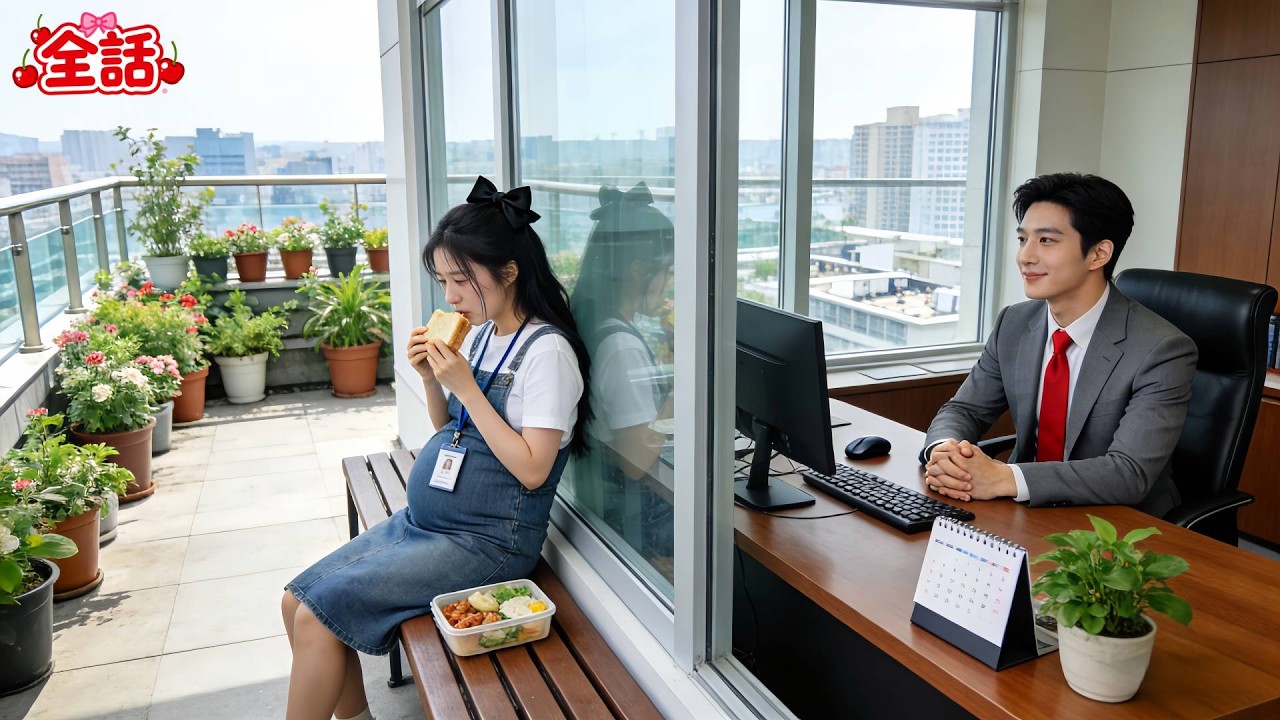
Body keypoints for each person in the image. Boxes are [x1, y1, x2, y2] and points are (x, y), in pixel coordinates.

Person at [280, 176, 591, 720]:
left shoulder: (548, 354)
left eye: (461, 281)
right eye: (443, 280)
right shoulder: (485, 332)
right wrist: (430, 380)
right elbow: (453, 427)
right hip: (428, 525)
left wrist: (465, 386)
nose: (450, 297)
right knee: (295, 602)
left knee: (314, 615)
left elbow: (534, 470)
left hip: (486, 544)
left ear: (509, 272)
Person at [921, 172, 1196, 516]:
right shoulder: (1013, 323)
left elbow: (1129, 473)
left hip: (1118, 523)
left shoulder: (1163, 349)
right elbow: (965, 410)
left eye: (1046, 240)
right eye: (1023, 239)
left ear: (1098, 254)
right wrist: (945, 452)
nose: (1025, 256)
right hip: (1025, 508)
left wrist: (1004, 478)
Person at [569, 182, 676, 578]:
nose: (668, 283)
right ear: (637, 271)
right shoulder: (621, 346)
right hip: (636, 525)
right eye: (666, 271)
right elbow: (636, 461)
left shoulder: (594, 321)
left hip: (600, 508)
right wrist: (684, 380)